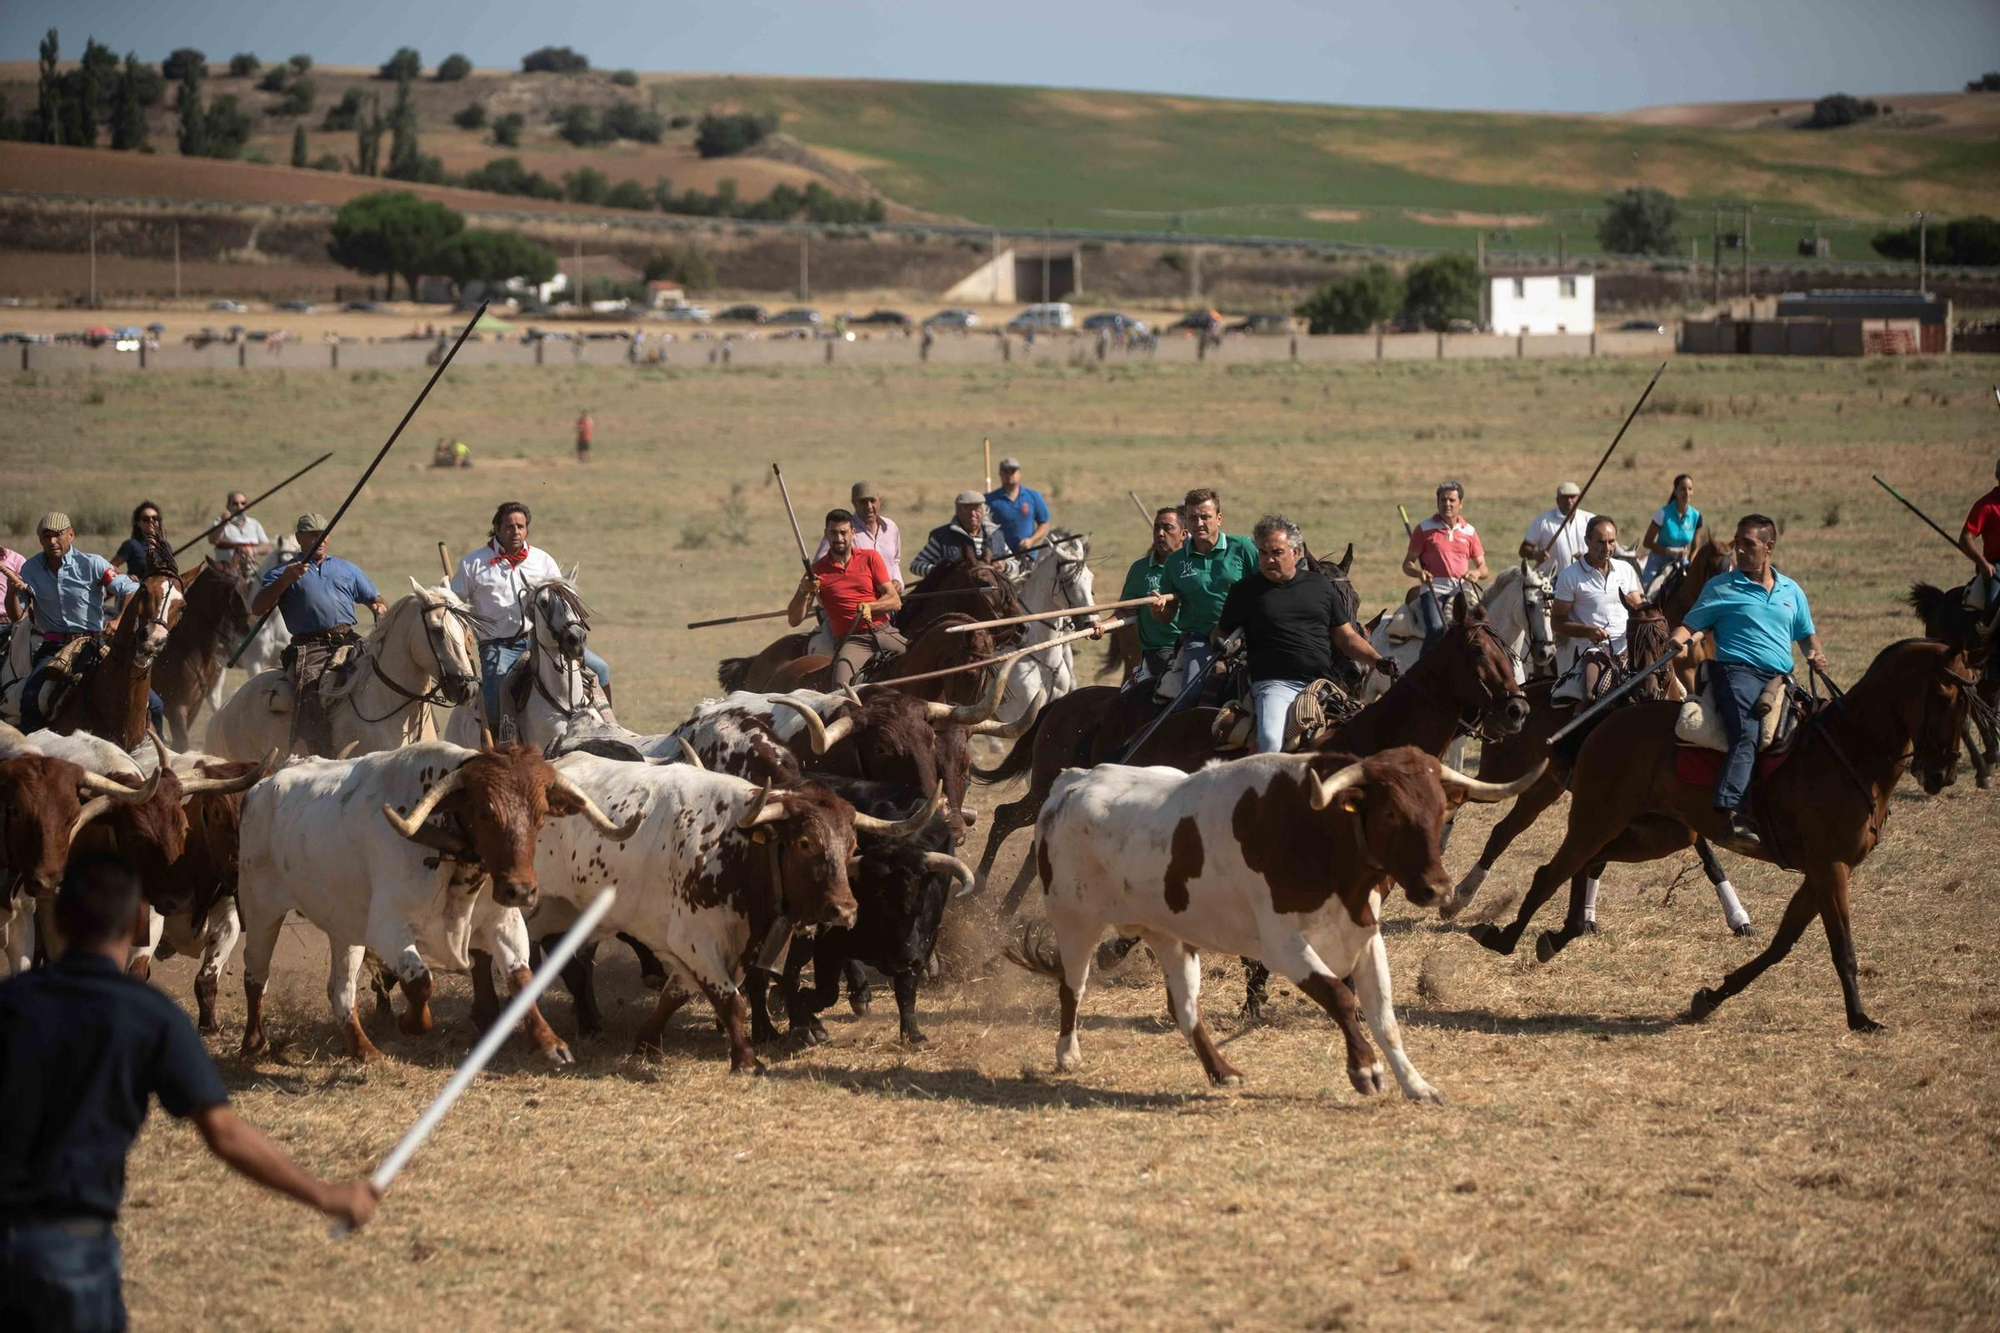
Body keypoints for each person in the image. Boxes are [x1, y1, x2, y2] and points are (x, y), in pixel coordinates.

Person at [0, 854, 376, 1330]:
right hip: (70, 1254)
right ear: (140, 920)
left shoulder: (11, 1002)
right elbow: (225, 1134)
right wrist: (327, 1196)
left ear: (58, 916)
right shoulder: (148, 1016)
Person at [1667, 514, 1827, 848]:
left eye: (1748, 544)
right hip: (1735, 674)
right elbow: (1692, 624)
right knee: (1747, 732)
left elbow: (1806, 635)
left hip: (1782, 679)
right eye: (1737, 542)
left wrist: (1815, 653)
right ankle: (1734, 811)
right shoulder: (1720, 587)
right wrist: (1678, 638)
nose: (1739, 550)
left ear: (1768, 548)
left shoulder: (1790, 590)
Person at [1216, 515, 1394, 753]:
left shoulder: (1320, 586)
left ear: (1296, 552)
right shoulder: (1245, 591)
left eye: (1277, 552)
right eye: (1263, 553)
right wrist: (1221, 644)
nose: (1269, 559)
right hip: (1274, 684)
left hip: (1324, 684)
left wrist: (1377, 660)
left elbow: (1347, 638)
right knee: (1269, 742)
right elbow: (1220, 632)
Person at [452, 502, 616, 729]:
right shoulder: (472, 564)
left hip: (543, 640)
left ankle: (610, 725)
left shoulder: (542, 560)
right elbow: (453, 604)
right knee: (496, 693)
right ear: (497, 528)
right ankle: (503, 743)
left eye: (521, 526)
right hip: (499, 646)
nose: (515, 531)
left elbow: (561, 600)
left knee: (600, 668)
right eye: (509, 526)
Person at [251, 515, 387, 756]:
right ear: (299, 538)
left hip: (349, 639)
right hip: (310, 645)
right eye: (313, 535)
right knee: (313, 689)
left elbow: (374, 597)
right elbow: (258, 607)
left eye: (324, 534)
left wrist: (378, 606)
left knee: (381, 672)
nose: (320, 539)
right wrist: (285, 580)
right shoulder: (283, 572)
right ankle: (315, 752)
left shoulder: (346, 568)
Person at [2, 513, 150, 733]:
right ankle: (36, 755)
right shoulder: (30, 569)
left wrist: (119, 619)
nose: (52, 541)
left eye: (58, 535)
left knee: (152, 703)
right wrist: (12, 593)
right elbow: (16, 616)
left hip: (94, 644)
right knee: (30, 698)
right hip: (53, 648)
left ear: (70, 534)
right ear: (40, 540)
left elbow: (129, 588)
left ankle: (149, 749)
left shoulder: (93, 564)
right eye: (47, 536)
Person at [1147, 488, 1259, 698]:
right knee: (1191, 694)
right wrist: (1157, 610)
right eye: (1193, 518)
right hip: (1200, 639)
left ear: (1219, 518)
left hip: (1248, 635)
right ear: (1186, 522)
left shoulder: (1243, 548)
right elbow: (1167, 616)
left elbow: (1267, 586)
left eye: (1205, 517)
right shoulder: (1175, 562)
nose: (1199, 523)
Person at [788, 509, 905, 689]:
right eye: (833, 532)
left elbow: (895, 601)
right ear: (826, 534)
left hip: (885, 632)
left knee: (925, 660)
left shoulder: (870, 558)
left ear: (853, 533)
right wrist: (803, 591)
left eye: (843, 532)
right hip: (852, 641)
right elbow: (794, 620)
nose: (839, 538)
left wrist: (870, 606)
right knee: (840, 689)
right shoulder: (816, 572)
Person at [1551, 515, 1646, 699]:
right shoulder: (1570, 576)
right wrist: (1588, 631)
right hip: (1593, 650)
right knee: (1593, 695)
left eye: (1611, 542)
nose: (1608, 548)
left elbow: (1639, 610)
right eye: (1601, 542)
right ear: (1587, 541)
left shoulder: (1625, 569)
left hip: (1630, 647)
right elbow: (1557, 622)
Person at [1402, 481, 1489, 652]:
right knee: (1436, 627)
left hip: (1462, 590)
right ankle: (1423, 670)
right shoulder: (1424, 528)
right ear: (1437, 503)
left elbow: (1484, 568)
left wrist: (1476, 573)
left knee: (1478, 629)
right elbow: (1407, 564)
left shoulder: (1469, 531)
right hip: (1433, 589)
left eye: (1451, 500)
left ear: (1461, 504)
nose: (1447, 504)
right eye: (1443, 500)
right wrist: (1419, 573)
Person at [1118, 507, 1186, 682]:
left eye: (1167, 528)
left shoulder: (1195, 566)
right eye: (1157, 528)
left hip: (1194, 645)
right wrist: (1101, 626)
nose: (1160, 533)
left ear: (1183, 534)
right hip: (1161, 651)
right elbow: (1126, 611)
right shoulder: (1140, 569)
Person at [814, 481, 903, 589]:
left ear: (879, 501)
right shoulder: (844, 531)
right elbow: (820, 565)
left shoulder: (890, 527)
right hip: (858, 601)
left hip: (888, 600)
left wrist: (897, 581)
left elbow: (895, 561)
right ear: (854, 503)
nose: (869, 506)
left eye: (872, 501)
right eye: (863, 502)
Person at [910, 491, 1019, 579]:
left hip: (993, 599)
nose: (972, 514)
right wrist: (943, 572)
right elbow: (916, 566)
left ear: (983, 511)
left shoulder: (995, 536)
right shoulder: (942, 537)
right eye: (967, 509)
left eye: (977, 509)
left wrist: (1005, 566)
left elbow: (1015, 566)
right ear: (957, 511)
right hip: (954, 600)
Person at [1520, 481, 1595, 578]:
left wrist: (1588, 558)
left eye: (1572, 497)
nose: (1569, 501)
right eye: (1565, 497)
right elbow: (1523, 550)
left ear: (1578, 499)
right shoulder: (1543, 521)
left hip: (1587, 577)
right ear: (1557, 500)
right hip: (1553, 580)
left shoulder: (1590, 520)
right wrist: (1535, 554)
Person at [1641, 473, 1703, 586]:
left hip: (1681, 561)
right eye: (1683, 489)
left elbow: (1695, 547)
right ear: (1675, 491)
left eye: (1690, 489)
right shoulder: (1663, 514)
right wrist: (1669, 551)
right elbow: (1647, 542)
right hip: (1658, 562)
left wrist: (1691, 562)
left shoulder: (1696, 516)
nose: (1687, 493)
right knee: (1647, 592)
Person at [984, 456, 1052, 559]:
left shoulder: (1033, 496)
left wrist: (1031, 540)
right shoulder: (990, 500)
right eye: (1005, 472)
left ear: (1019, 473)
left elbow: (1044, 523)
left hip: (1028, 555)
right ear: (1000, 474)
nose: (1009, 475)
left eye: (1012, 471)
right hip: (1001, 559)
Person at [1960, 455, 2000, 619]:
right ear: (1998, 476)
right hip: (1996, 566)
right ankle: (1987, 640)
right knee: (1993, 604)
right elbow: (1965, 538)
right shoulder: (1986, 506)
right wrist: (1983, 563)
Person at [207, 490, 272, 567]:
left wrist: (253, 550)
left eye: (243, 503)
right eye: (235, 504)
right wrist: (223, 524)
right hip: (226, 572)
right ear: (228, 506)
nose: (239, 507)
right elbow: (212, 540)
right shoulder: (220, 522)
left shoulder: (254, 524)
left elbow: (267, 547)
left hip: (250, 571)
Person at [111, 501, 163, 581]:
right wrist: (125, 577)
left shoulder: (164, 546)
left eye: (155, 518)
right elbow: (110, 567)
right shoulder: (131, 545)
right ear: (138, 523)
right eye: (146, 519)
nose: (151, 521)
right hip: (138, 590)